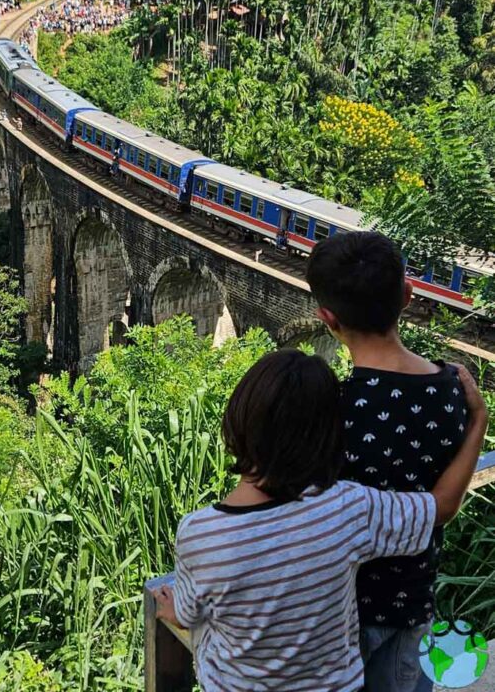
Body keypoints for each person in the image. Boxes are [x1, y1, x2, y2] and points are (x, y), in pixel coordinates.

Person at [153, 349, 487, 692]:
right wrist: (478, 422)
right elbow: (442, 506)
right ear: (328, 438)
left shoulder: (201, 534)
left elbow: (187, 614)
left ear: (236, 421)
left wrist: (169, 609)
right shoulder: (346, 507)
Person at [306, 231, 472, 692]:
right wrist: (478, 424)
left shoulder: (335, 407)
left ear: (327, 318)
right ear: (408, 295)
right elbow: (444, 504)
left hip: (338, 611)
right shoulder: (453, 389)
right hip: (412, 603)